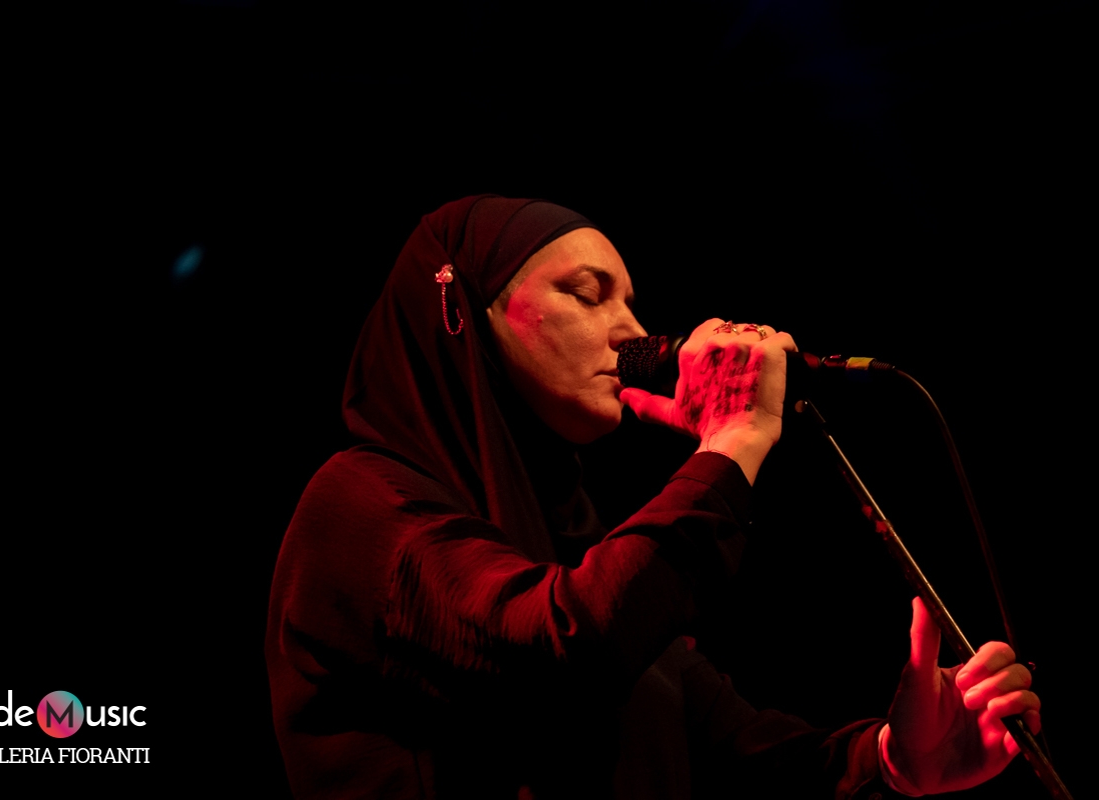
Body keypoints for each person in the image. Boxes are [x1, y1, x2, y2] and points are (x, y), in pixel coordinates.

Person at [265, 195, 1040, 798]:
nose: (630, 332)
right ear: (464, 309)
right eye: (587, 293)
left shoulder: (575, 542)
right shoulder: (359, 503)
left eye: (631, 303)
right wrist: (732, 444)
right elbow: (560, 654)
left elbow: (740, 759)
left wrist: (895, 761)